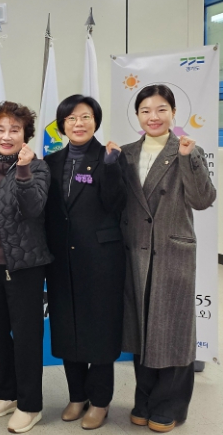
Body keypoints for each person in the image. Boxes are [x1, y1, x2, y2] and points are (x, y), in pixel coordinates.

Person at [120, 84, 216, 433]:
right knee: (141, 329)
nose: (154, 116)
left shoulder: (187, 149)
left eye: (161, 109)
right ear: (137, 115)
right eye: (145, 110)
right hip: (135, 251)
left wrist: (189, 159)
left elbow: (203, 199)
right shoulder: (127, 154)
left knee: (172, 329)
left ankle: (170, 405)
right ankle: (145, 398)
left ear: (173, 113)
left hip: (172, 250)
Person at [43, 95, 127, 430]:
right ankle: (77, 396)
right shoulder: (50, 162)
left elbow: (116, 203)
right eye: (71, 118)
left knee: (100, 329)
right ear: (62, 125)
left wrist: (111, 166)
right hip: (62, 258)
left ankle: (101, 401)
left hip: (101, 258)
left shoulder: (109, 156)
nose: (79, 124)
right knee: (68, 328)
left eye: (86, 117)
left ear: (96, 121)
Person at [0, 101, 52, 434]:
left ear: (25, 135)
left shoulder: (39, 168)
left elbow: (33, 208)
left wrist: (24, 170)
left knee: (27, 337)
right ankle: (8, 394)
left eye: (14, 130)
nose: (6, 136)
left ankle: (30, 406)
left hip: (23, 266)